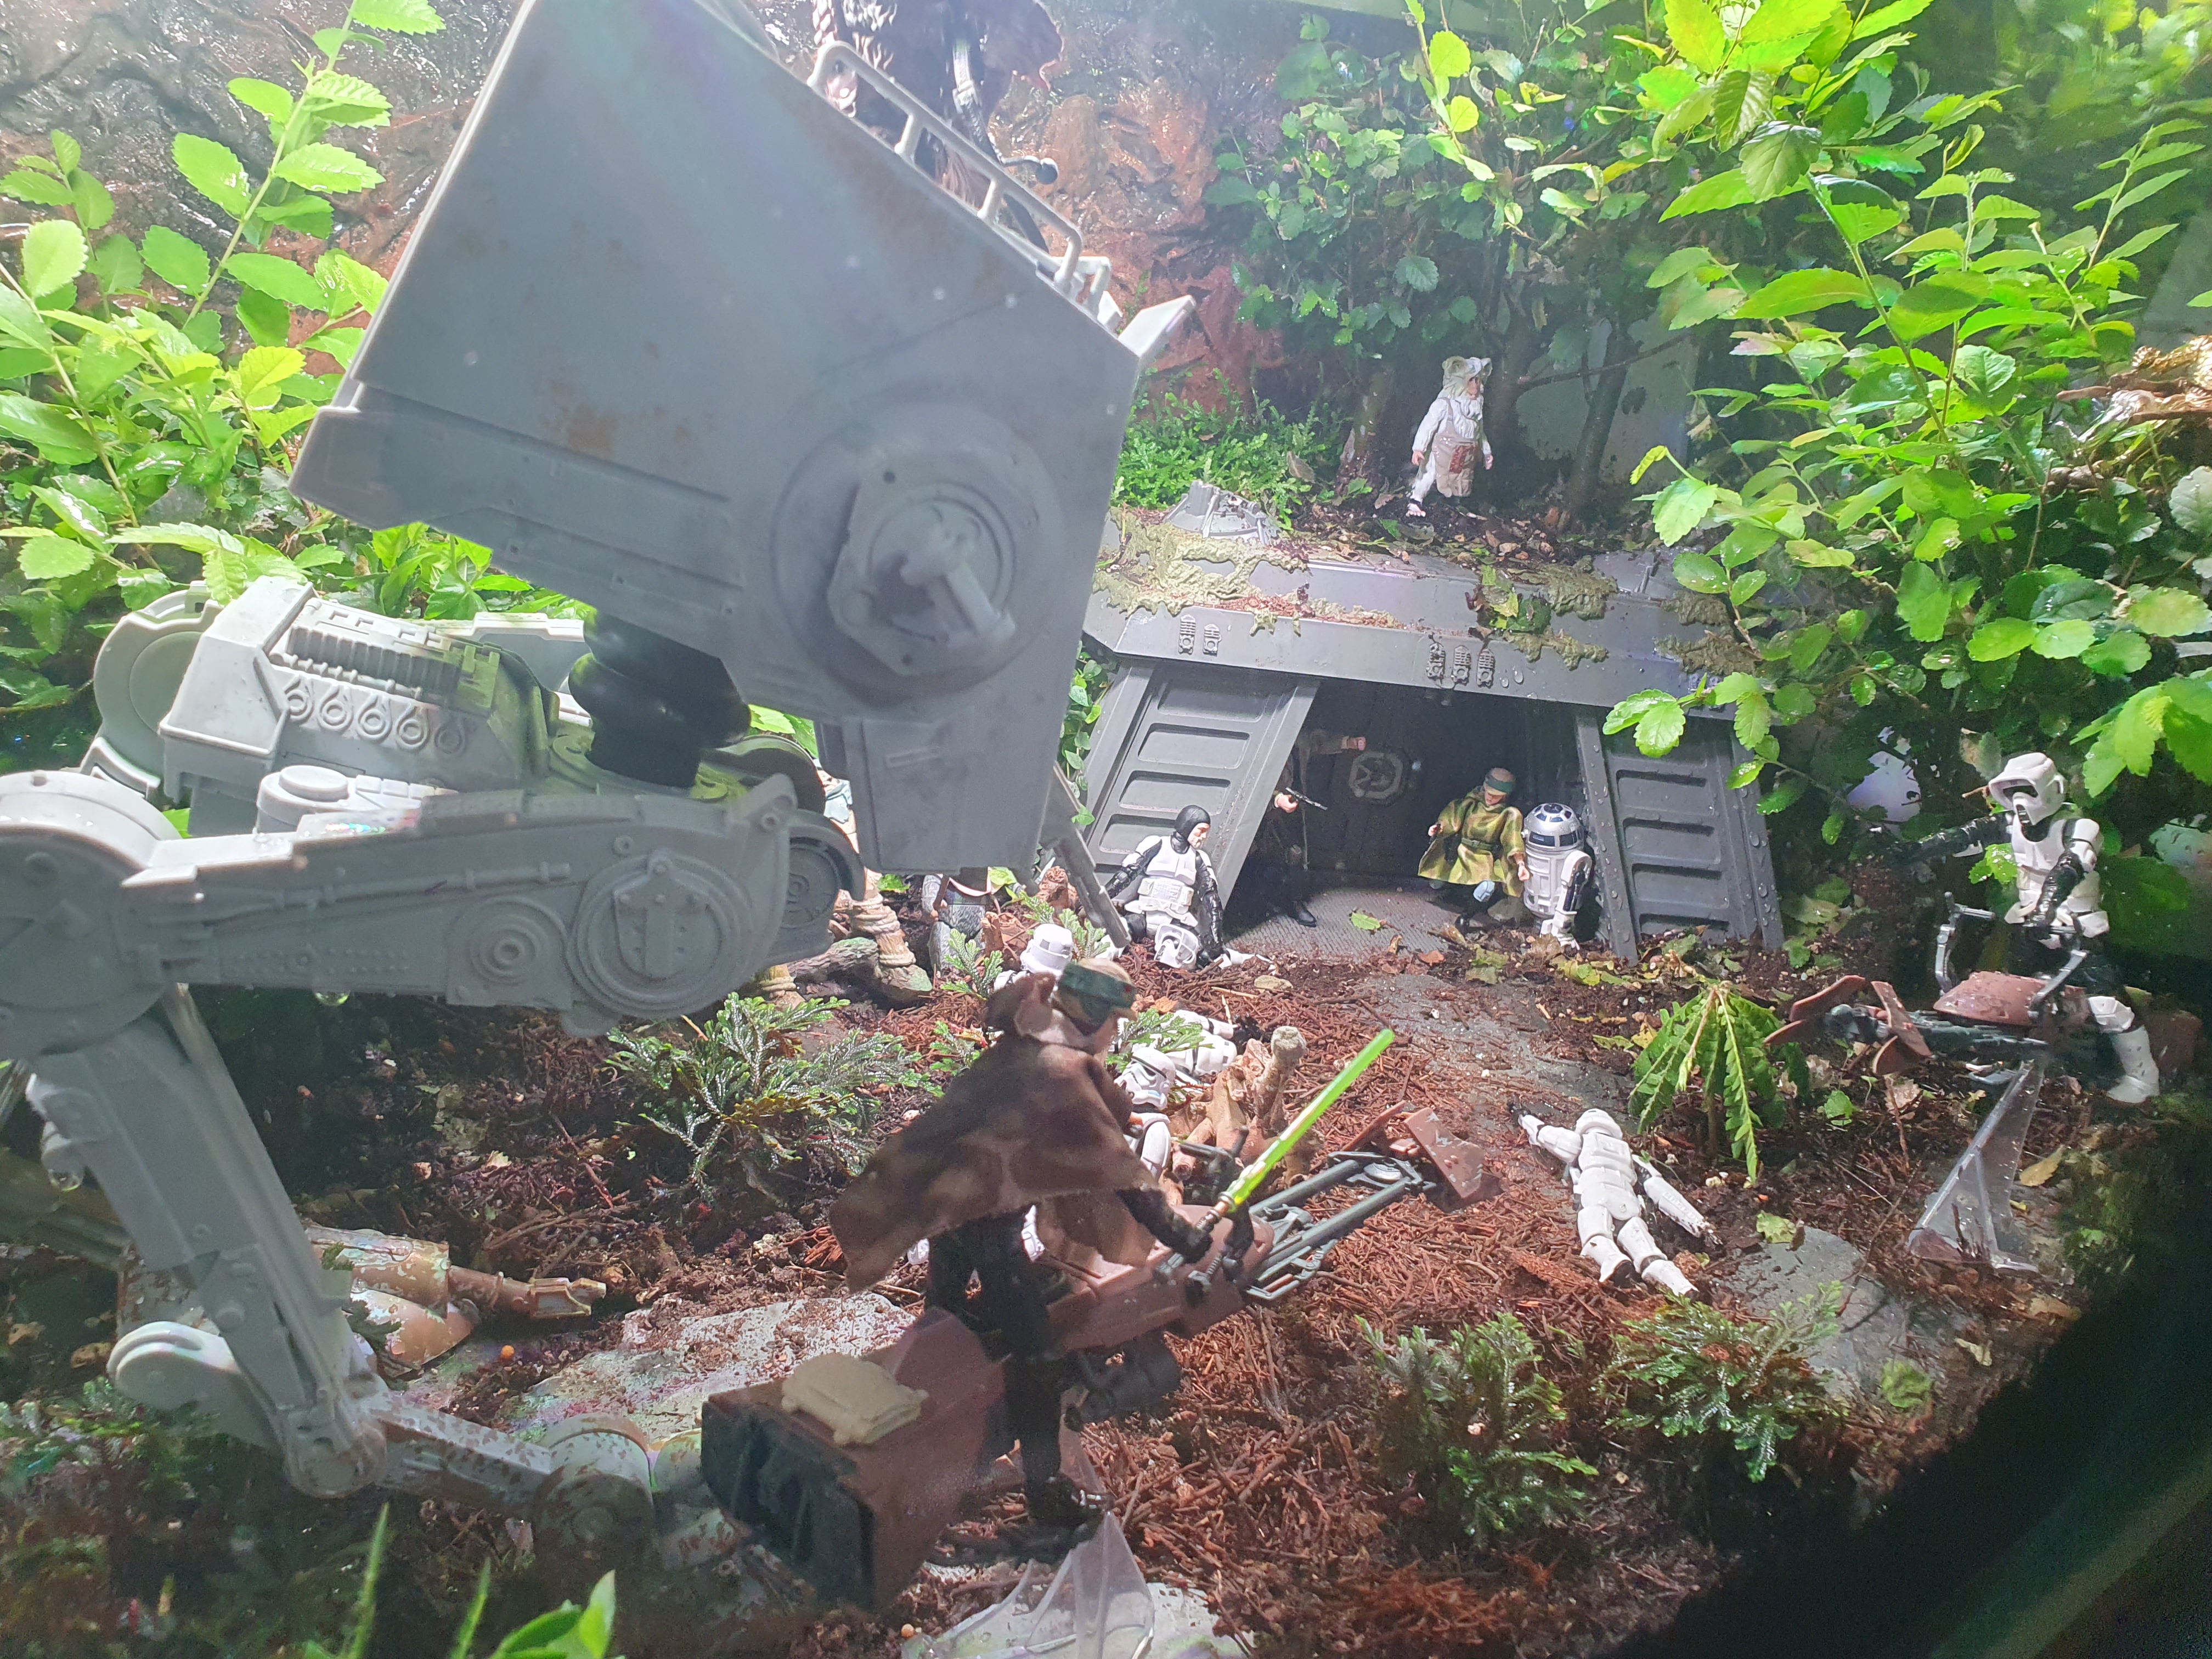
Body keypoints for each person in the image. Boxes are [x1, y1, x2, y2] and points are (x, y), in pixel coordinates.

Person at [830, 960, 1216, 1527]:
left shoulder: (1019, 1047)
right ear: (1094, 1017)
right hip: (990, 1230)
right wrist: (1183, 1236)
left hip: (950, 1218)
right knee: (1040, 1359)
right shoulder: (1063, 1073)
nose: (1117, 1033)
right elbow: (1122, 1174)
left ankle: (931, 1419)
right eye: (1115, 1020)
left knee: (947, 1325)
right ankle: (1044, 1491)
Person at [1895, 752, 2159, 1102]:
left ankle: (2143, 1081)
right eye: (2011, 791)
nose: (2019, 801)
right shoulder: (2010, 825)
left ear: (2052, 789)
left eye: (2027, 790)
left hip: (2078, 932)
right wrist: (1913, 851)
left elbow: (2070, 868)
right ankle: (2003, 1059)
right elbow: (1965, 837)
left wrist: (2048, 908)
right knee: (2010, 999)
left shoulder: (2079, 829)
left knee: (2110, 1007)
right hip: (2030, 926)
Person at [1246, 731, 1367, 927]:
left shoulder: (1300, 739)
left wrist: (1348, 743)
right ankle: (1261, 903)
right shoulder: (1265, 739)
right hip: (1263, 812)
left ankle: (1293, 903)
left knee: (1295, 854)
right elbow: (1253, 778)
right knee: (1261, 855)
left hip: (1291, 808)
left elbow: (1318, 742)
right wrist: (1276, 799)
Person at [1103, 805, 1223, 968]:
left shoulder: (1199, 858)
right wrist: (1101, 898)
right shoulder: (1157, 843)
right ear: (1187, 825)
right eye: (1201, 831)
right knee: (1114, 937)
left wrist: (1214, 937)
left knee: (1185, 954)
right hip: (1142, 916)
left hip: (1175, 924)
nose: (1204, 837)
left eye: (1206, 832)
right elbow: (1126, 874)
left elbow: (1211, 897)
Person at [1420, 766, 1528, 926]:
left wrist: (1520, 864)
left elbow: (1512, 839)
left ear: (1505, 796)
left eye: (1496, 795)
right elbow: (1453, 817)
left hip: (1484, 858)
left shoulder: (1508, 814)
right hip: (1461, 853)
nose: (1490, 797)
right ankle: (1449, 892)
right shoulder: (1471, 804)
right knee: (1439, 880)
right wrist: (1439, 827)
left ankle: (1465, 918)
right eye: (1488, 792)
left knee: (1487, 888)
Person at [1407, 357, 1492, 517]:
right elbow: (1428, 426)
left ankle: (1455, 504)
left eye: (1478, 380)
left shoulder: (1475, 410)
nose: (1476, 386)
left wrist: (1487, 452)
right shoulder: (1444, 405)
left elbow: (1480, 433)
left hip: (1464, 452)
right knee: (1430, 472)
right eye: (1471, 380)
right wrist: (1419, 448)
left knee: (1461, 477)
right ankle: (1416, 500)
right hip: (1441, 448)